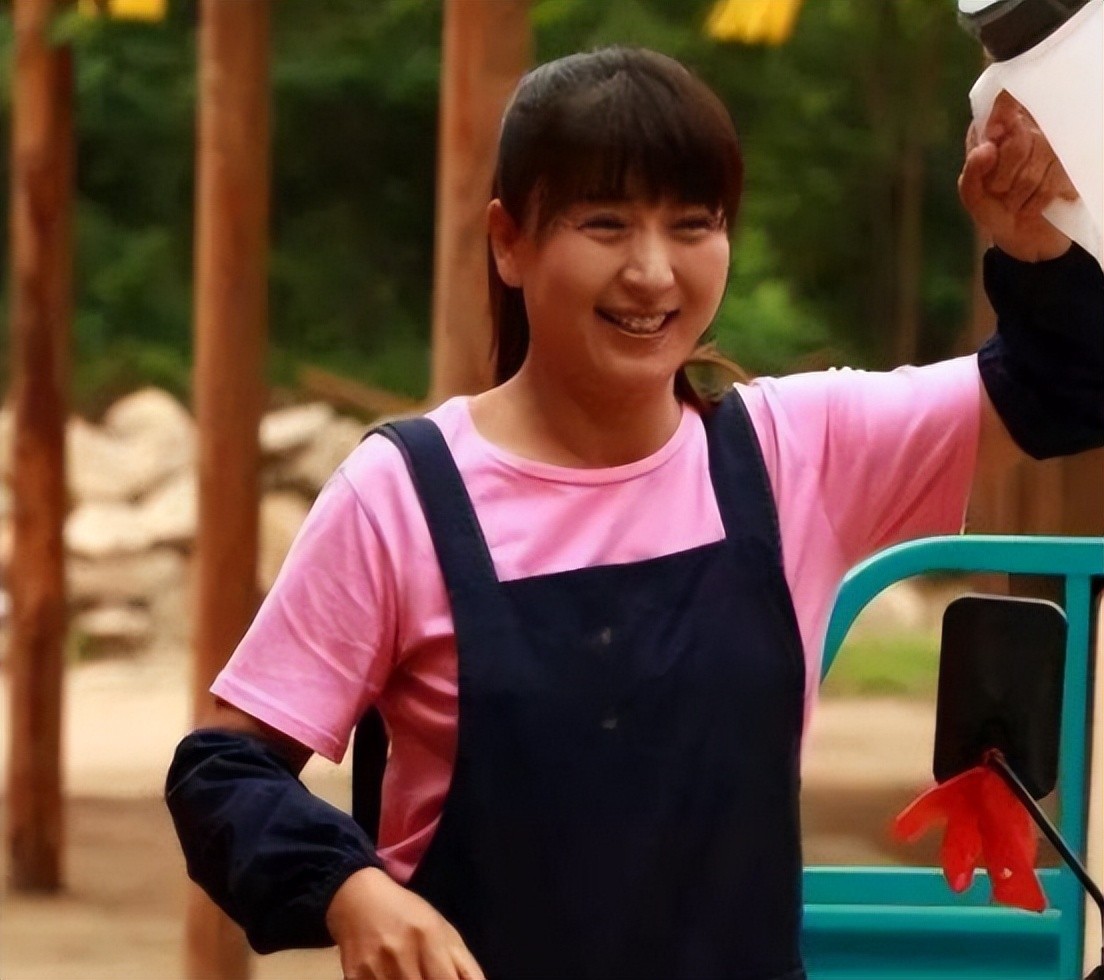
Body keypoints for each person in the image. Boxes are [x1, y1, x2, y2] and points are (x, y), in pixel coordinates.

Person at [167, 47, 1103, 980]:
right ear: (508, 241)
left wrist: (1037, 249)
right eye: (605, 224)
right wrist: (352, 888)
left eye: (693, 224)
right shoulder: (402, 495)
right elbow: (224, 772)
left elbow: (1066, 389)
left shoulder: (797, 454)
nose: (653, 273)